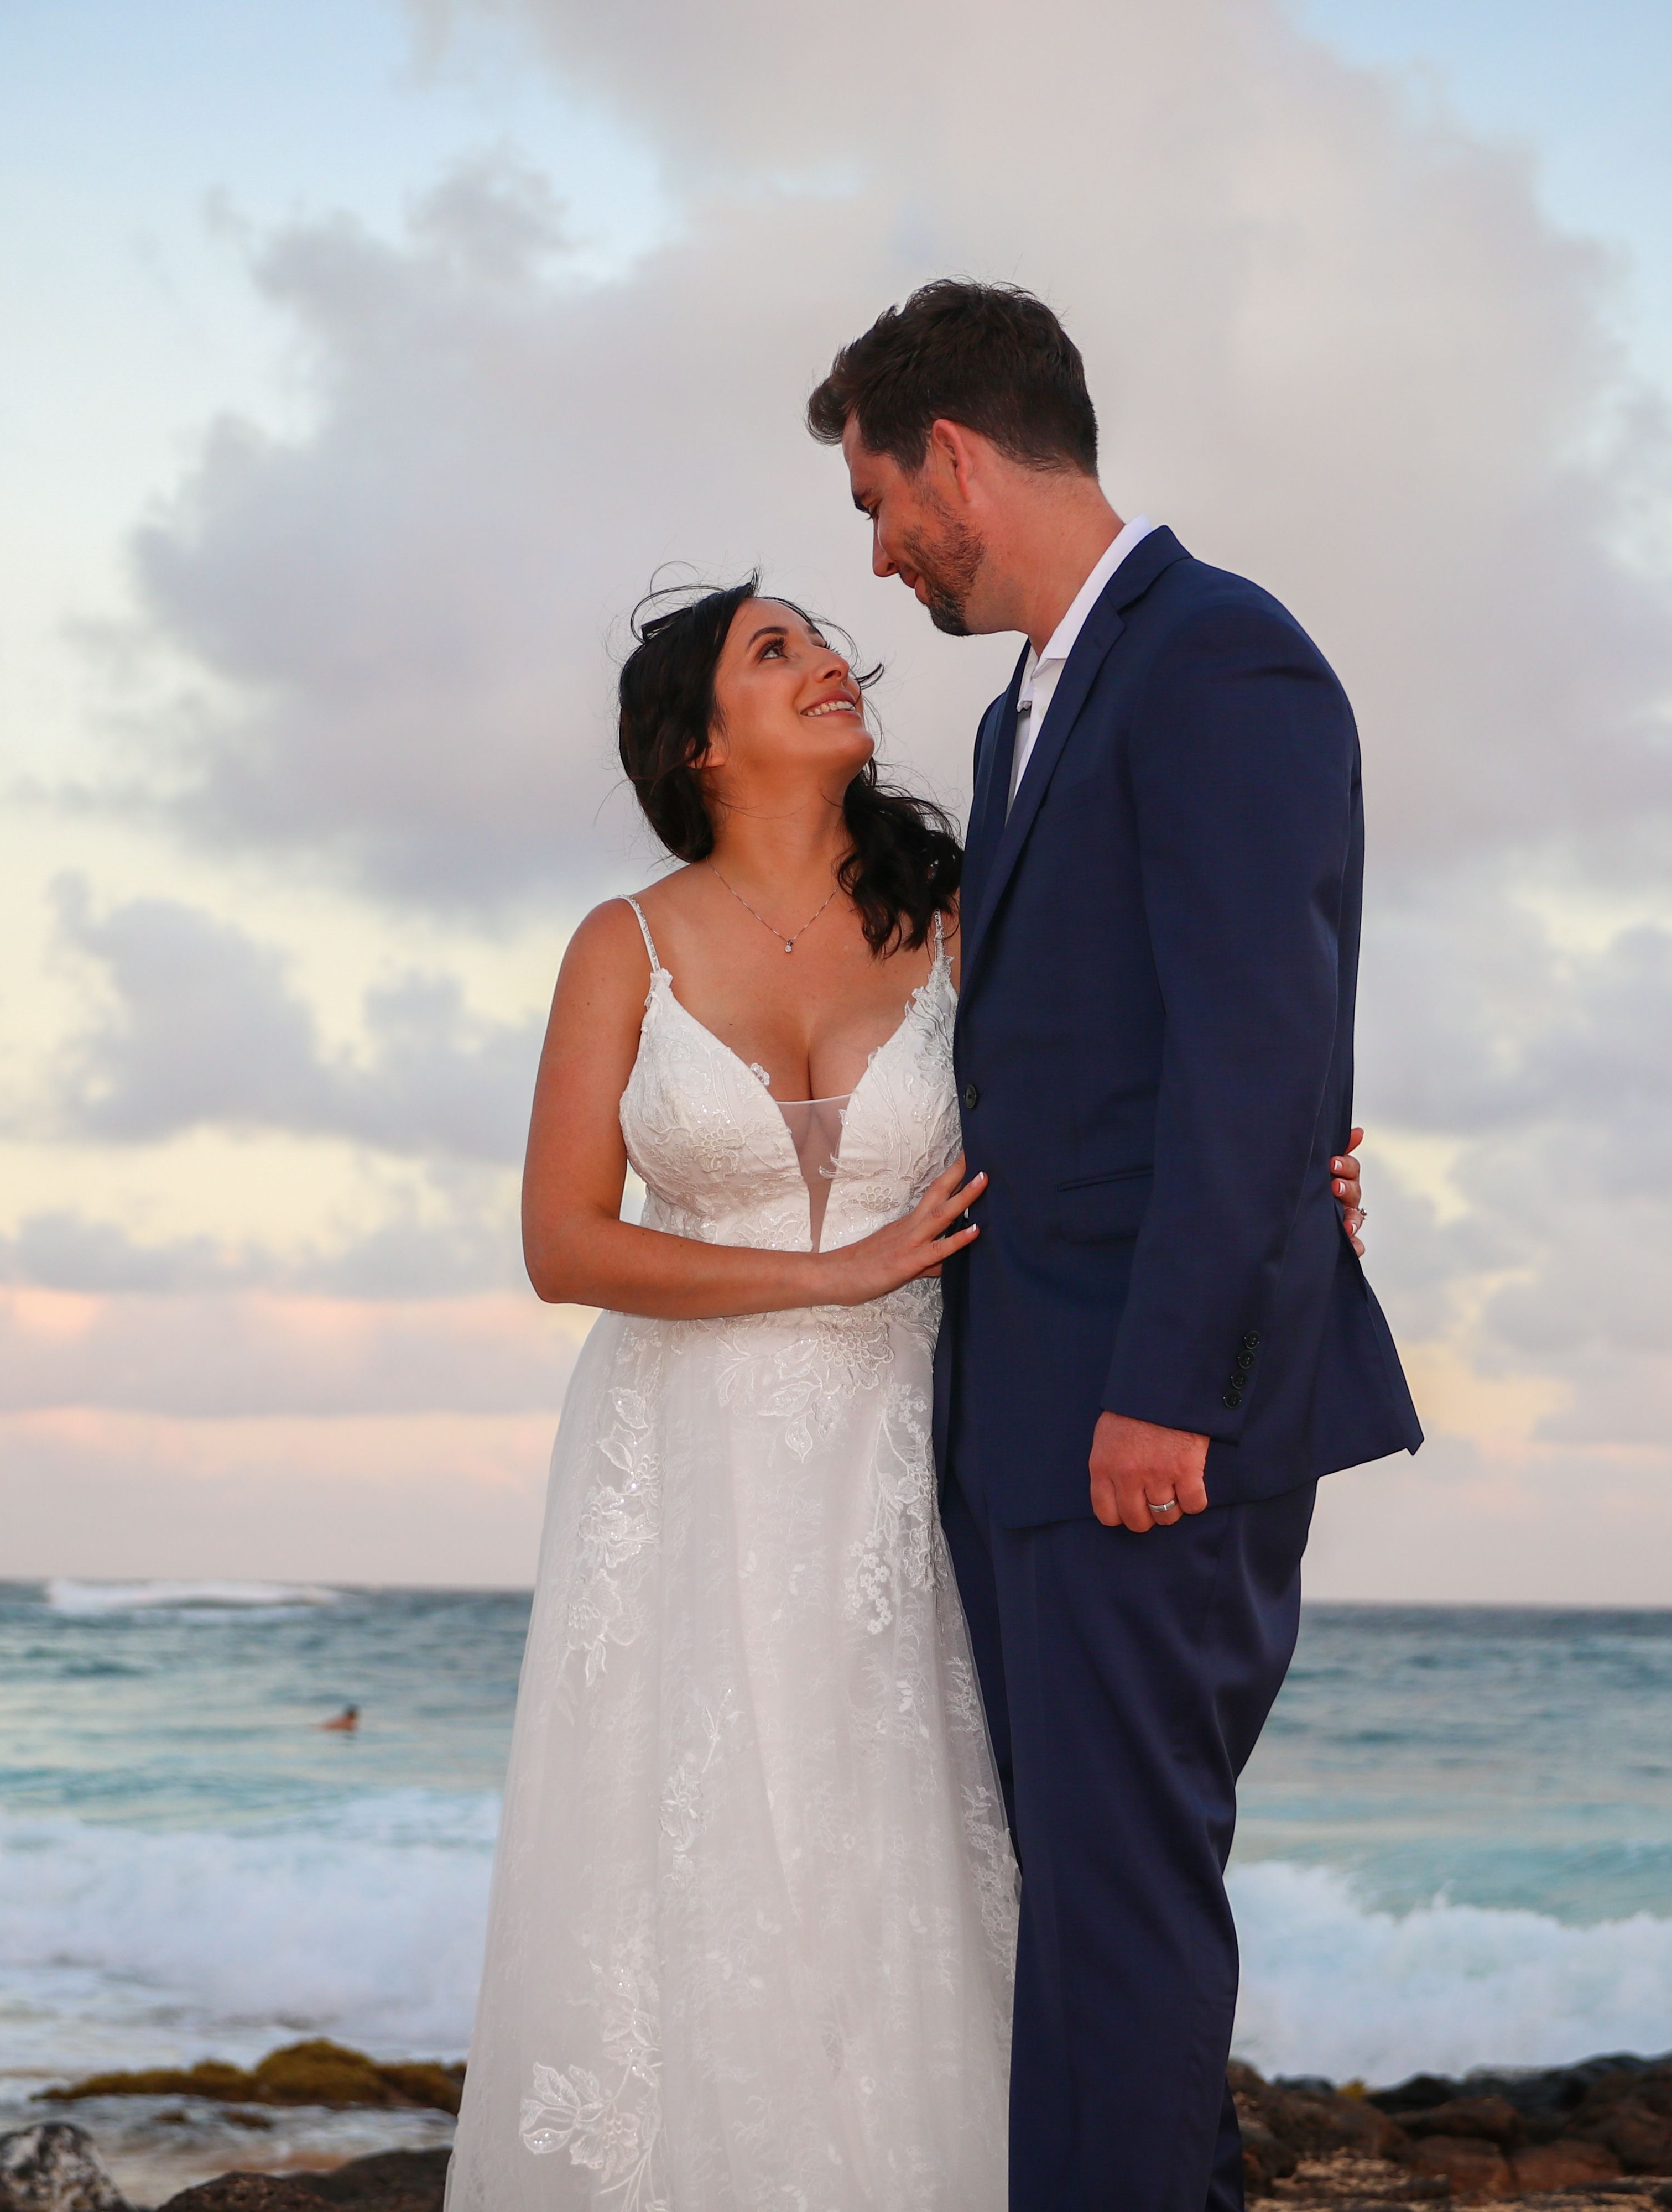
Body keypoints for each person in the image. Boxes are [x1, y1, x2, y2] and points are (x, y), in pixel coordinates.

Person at [447, 561, 1372, 2210]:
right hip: (681, 1467)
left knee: (905, 1859)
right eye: (776, 650)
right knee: (687, 1852)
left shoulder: (958, 914)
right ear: (698, 743)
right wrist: (828, 1274)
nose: (833, 663)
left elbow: (1130, 1090)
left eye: (824, 644)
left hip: (910, 1456)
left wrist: (1299, 1189)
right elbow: (562, 1243)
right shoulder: (623, 950)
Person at [809, 280, 1420, 2212]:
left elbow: (1259, 1046)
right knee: (1077, 1918)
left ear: (960, 459)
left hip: (1150, 1430)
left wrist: (1169, 1392)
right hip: (1031, 1419)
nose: (883, 555)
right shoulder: (1022, 717)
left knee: (1130, 1914)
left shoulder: (1223, 661)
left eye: (879, 506)